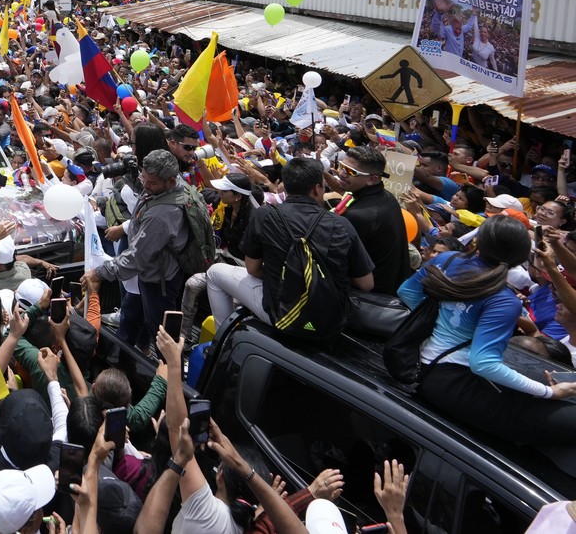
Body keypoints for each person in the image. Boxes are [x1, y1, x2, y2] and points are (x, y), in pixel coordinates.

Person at [399, 216, 576, 444]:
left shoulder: (446, 259)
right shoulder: (505, 301)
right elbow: (483, 362)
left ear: (478, 241)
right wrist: (549, 392)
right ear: (520, 257)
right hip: (454, 384)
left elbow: (407, 292)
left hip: (425, 366)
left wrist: (443, 324)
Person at [205, 157, 374, 336]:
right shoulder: (342, 224)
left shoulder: (264, 215)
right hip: (332, 321)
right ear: (317, 189)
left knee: (215, 273)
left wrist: (285, 276)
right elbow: (366, 283)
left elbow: (253, 269)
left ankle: (222, 341)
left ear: (286, 185)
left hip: (281, 315)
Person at [92, 149, 196, 350]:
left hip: (159, 279)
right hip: (154, 271)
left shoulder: (162, 214)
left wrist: (100, 273)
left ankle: (166, 375)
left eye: (152, 183)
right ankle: (141, 353)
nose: (145, 186)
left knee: (162, 336)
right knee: (139, 317)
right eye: (143, 178)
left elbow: (137, 258)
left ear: (171, 181)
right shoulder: (166, 188)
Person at [337, 145, 411, 294]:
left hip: (371, 296)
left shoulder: (359, 216)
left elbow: (342, 264)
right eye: (341, 166)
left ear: (372, 179)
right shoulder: (388, 197)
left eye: (350, 171)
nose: (341, 173)